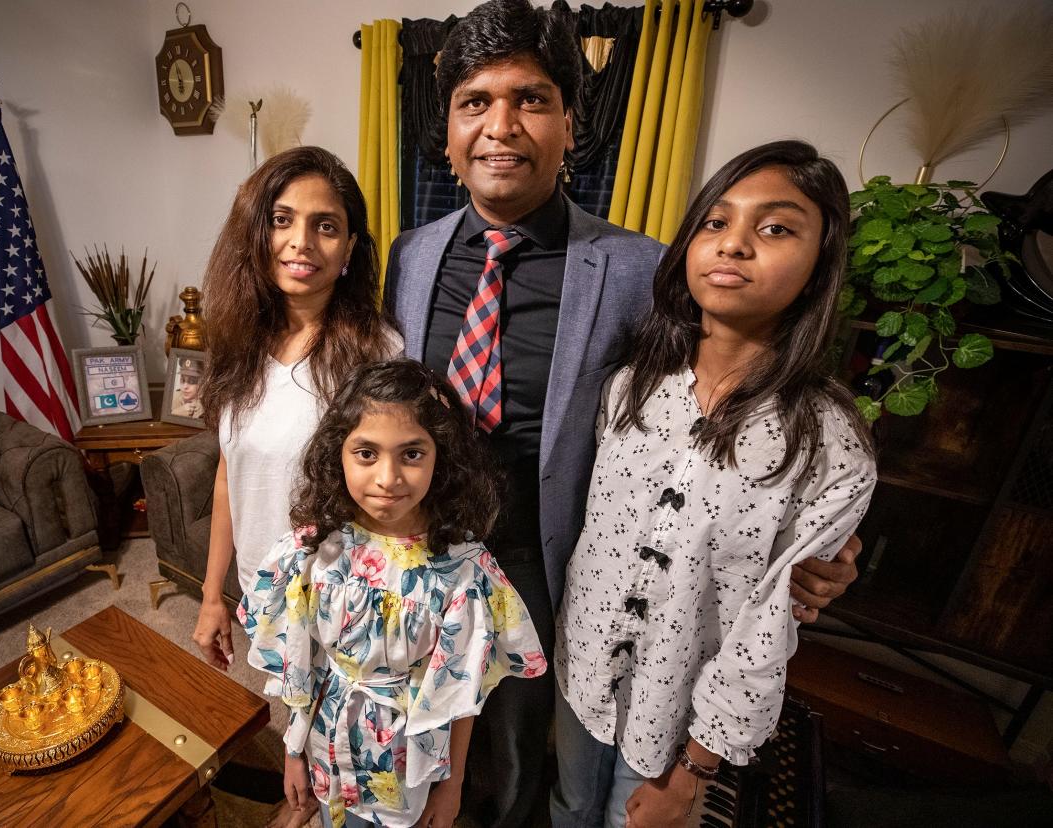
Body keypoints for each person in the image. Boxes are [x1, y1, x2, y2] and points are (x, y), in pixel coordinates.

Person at [382, 1, 863, 823]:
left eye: (531, 99)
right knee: (424, 719)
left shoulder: (639, 267)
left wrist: (824, 547)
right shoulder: (412, 252)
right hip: (422, 541)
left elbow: (725, 407)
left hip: (550, 555)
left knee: (522, 741)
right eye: (475, 103)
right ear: (450, 129)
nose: (501, 126)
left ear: (570, 123)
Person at [552, 141, 878, 828]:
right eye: (715, 222)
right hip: (579, 671)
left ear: (821, 262)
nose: (734, 246)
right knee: (570, 806)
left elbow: (767, 629)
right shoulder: (629, 386)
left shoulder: (826, 441)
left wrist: (696, 768)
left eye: (775, 228)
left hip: (679, 715)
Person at [238, 359, 547, 828]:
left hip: (408, 766)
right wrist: (293, 752)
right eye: (366, 453)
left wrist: (453, 784)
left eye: (411, 454)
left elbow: (463, 695)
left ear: (440, 456)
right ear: (336, 453)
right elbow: (301, 667)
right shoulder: (312, 551)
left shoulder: (463, 571)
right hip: (326, 747)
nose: (388, 478)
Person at [194, 146, 399, 828]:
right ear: (257, 233)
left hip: (345, 606)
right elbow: (230, 474)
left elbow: (397, 498)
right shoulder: (236, 348)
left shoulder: (376, 354)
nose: (300, 242)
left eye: (325, 224)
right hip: (265, 591)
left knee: (352, 755)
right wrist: (213, 594)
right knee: (295, 726)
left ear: (349, 248)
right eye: (282, 219)